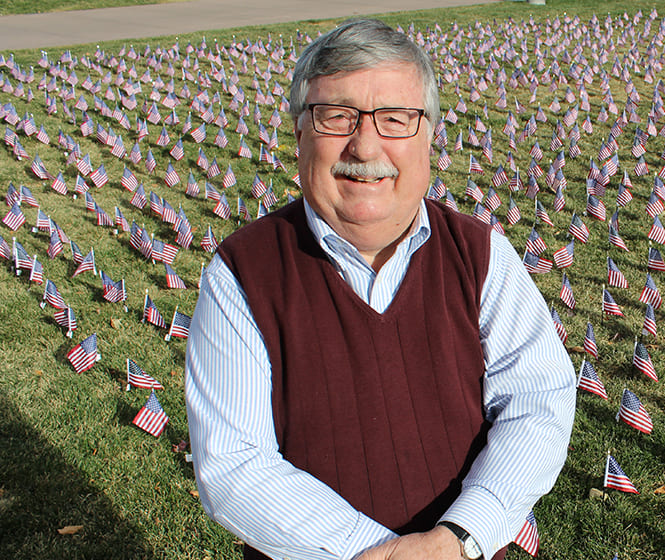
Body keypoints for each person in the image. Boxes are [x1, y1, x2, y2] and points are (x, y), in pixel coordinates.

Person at [185, 18, 576, 560]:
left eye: (396, 118)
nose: (365, 144)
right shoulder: (241, 274)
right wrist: (382, 554)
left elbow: (537, 401)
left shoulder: (481, 254)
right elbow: (234, 463)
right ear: (299, 133)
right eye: (335, 116)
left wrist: (459, 536)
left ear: (430, 136)